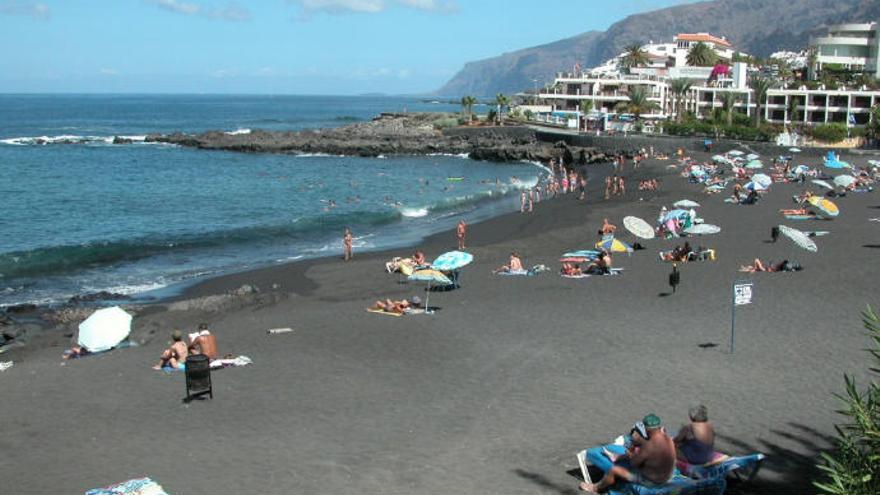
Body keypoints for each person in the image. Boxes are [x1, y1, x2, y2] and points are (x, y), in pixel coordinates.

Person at [579, 414, 676, 493]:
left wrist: (631, 453)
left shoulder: (649, 446)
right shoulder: (668, 439)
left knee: (615, 470)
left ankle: (595, 488)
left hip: (652, 481)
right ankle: (616, 457)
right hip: (668, 476)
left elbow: (634, 463)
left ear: (647, 429)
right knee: (636, 455)